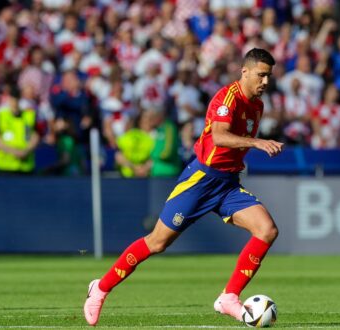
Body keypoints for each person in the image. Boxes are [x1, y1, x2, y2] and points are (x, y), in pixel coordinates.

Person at [84, 48, 284, 326]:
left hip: (227, 184)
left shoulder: (257, 106)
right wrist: (258, 143)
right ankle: (100, 288)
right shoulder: (227, 98)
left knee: (267, 230)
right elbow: (220, 137)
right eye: (261, 75)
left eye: (268, 76)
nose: (265, 82)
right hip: (201, 181)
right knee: (157, 243)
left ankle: (229, 298)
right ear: (245, 71)